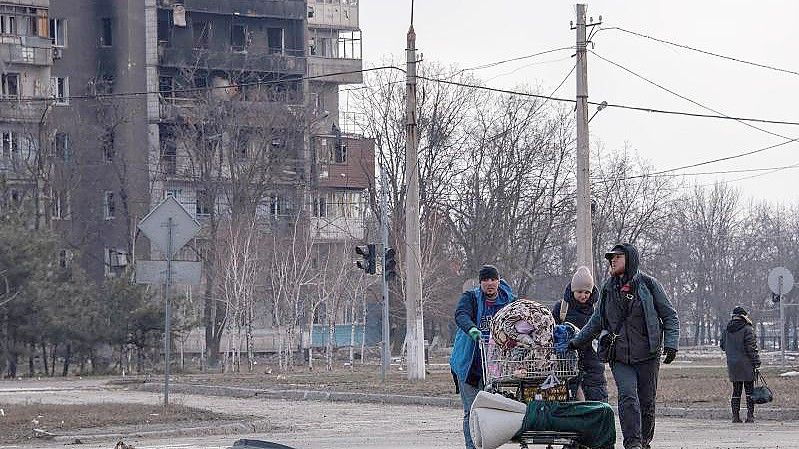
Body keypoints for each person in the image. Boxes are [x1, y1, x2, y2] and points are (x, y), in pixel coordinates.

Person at [568, 243, 680, 449]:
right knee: (628, 396)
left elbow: (670, 315)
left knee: (647, 402)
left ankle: (644, 440)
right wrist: (575, 342)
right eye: (611, 257)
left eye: (617, 257)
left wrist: (672, 344)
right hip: (619, 356)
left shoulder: (649, 285)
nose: (612, 260)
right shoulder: (608, 288)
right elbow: (596, 321)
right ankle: (633, 443)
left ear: (630, 259)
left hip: (648, 354)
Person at [449, 264, 514, 449]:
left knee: (491, 411)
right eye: (485, 280)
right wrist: (472, 329)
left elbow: (519, 318)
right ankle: (472, 446)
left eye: (493, 279)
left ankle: (486, 444)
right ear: (480, 283)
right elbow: (461, 315)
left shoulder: (508, 300)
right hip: (469, 363)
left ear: (499, 281)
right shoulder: (470, 298)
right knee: (472, 410)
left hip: (496, 366)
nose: (489, 283)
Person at [552, 266, 609, 402]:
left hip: (593, 363)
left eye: (587, 292)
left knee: (597, 403)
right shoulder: (561, 309)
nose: (583, 296)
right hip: (566, 364)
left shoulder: (598, 309)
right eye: (579, 292)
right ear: (572, 291)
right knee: (569, 403)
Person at [720, 305, 761, 423]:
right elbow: (751, 348)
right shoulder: (747, 329)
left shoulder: (727, 329)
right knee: (749, 391)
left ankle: (735, 416)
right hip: (746, 363)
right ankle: (750, 416)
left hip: (732, 364)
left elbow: (722, 345)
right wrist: (756, 362)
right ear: (744, 316)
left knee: (736, 391)